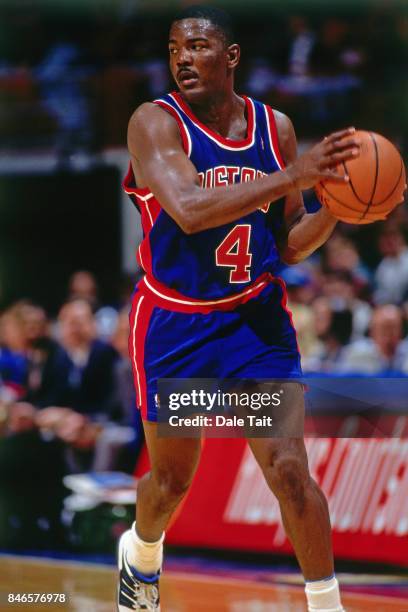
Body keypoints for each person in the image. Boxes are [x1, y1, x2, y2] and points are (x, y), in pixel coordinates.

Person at [118, 6, 361, 611]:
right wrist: (292, 177)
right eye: (174, 48)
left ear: (230, 58)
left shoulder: (273, 129)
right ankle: (141, 551)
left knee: (287, 469)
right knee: (172, 482)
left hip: (253, 321)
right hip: (175, 325)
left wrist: (343, 208)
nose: (182, 59)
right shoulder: (154, 122)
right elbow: (190, 209)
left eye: (196, 46)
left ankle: (326, 604)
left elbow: (287, 244)